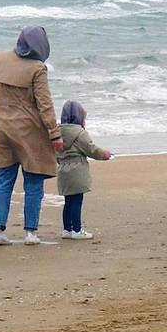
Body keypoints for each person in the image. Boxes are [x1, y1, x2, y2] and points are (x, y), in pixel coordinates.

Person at [0, 25, 62, 245]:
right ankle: (30, 233)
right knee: (33, 180)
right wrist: (54, 134)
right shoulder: (38, 68)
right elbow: (45, 104)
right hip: (29, 131)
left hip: (0, 127)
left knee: (4, 179)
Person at [56, 100, 113, 240]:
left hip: (63, 169)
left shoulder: (56, 132)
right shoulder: (80, 133)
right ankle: (77, 229)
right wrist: (104, 154)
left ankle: (67, 229)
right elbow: (91, 149)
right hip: (77, 170)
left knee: (68, 201)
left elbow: (54, 151)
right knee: (77, 200)